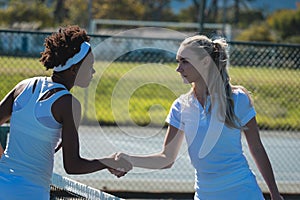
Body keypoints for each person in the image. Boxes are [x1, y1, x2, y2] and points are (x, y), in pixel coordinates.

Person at [113, 35, 284, 200]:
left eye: (185, 62)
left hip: (243, 192)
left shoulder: (238, 99)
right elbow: (167, 159)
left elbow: (257, 148)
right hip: (204, 195)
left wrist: (275, 194)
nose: (178, 69)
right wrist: (129, 160)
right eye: (178, 62)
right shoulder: (181, 106)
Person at [0, 25, 131, 200]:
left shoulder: (23, 86)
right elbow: (73, 165)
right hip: (30, 194)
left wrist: (4, 160)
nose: (93, 71)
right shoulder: (68, 104)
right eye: (90, 65)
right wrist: (109, 161)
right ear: (74, 69)